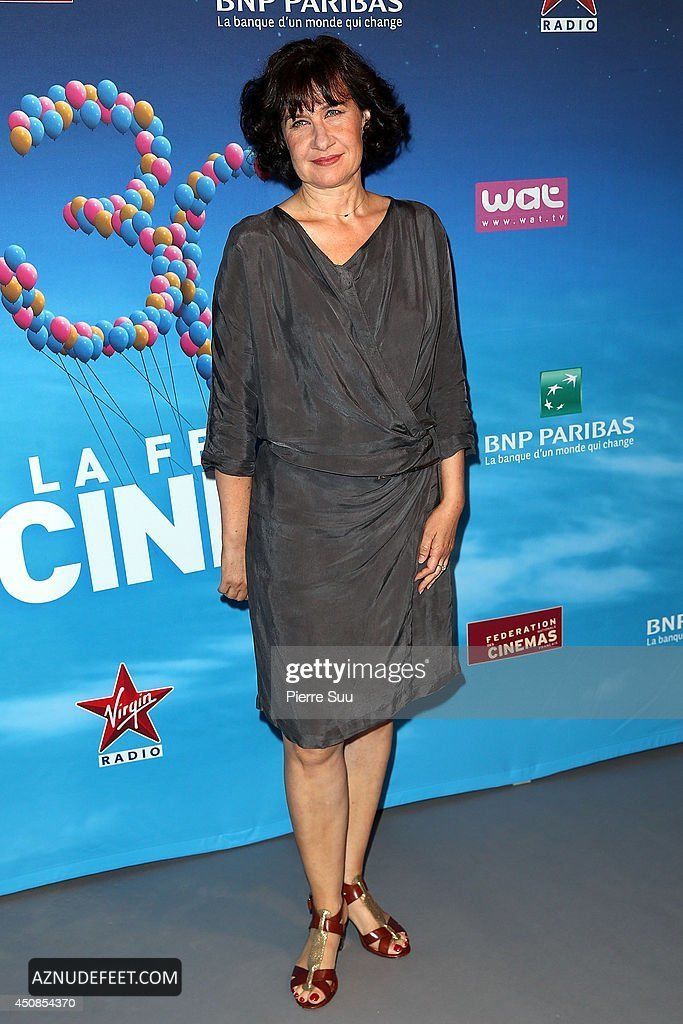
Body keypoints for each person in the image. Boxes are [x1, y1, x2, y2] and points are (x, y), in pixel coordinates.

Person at [201, 34, 477, 1009]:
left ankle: (351, 883)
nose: (318, 133)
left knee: (371, 713)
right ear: (277, 137)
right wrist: (235, 544)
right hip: (303, 528)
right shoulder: (255, 247)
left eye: (333, 108)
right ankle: (323, 911)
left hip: (403, 513)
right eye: (297, 116)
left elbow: (444, 377)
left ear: (367, 117)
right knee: (316, 733)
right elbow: (233, 411)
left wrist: (449, 497)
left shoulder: (421, 231)